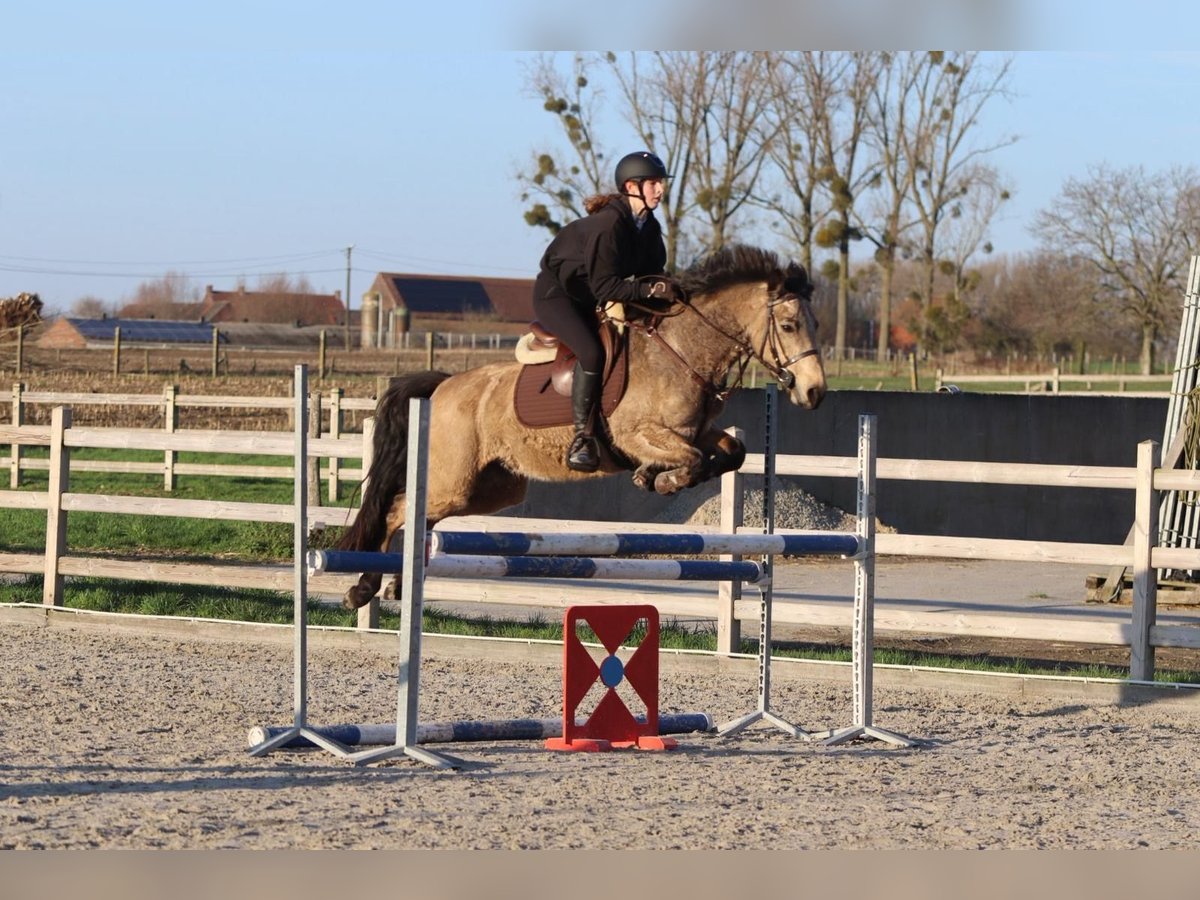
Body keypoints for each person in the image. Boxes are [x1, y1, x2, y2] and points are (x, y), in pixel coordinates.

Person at [532, 150, 682, 472]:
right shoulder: (608, 225)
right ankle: (583, 439)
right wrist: (649, 290)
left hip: (592, 296)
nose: (660, 189)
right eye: (653, 183)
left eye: (660, 183)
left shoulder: (648, 227)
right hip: (558, 296)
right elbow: (606, 288)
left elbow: (653, 275)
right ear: (631, 187)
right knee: (591, 352)